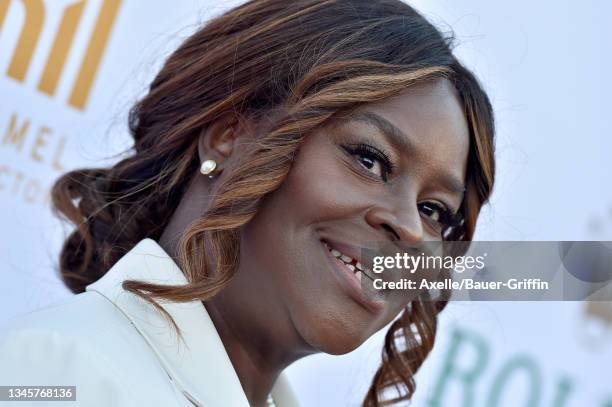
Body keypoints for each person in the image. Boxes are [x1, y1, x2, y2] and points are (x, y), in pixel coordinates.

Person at [0, 0, 495, 406]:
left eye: (435, 211)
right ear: (227, 136)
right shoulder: (61, 374)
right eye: (369, 159)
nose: (410, 227)